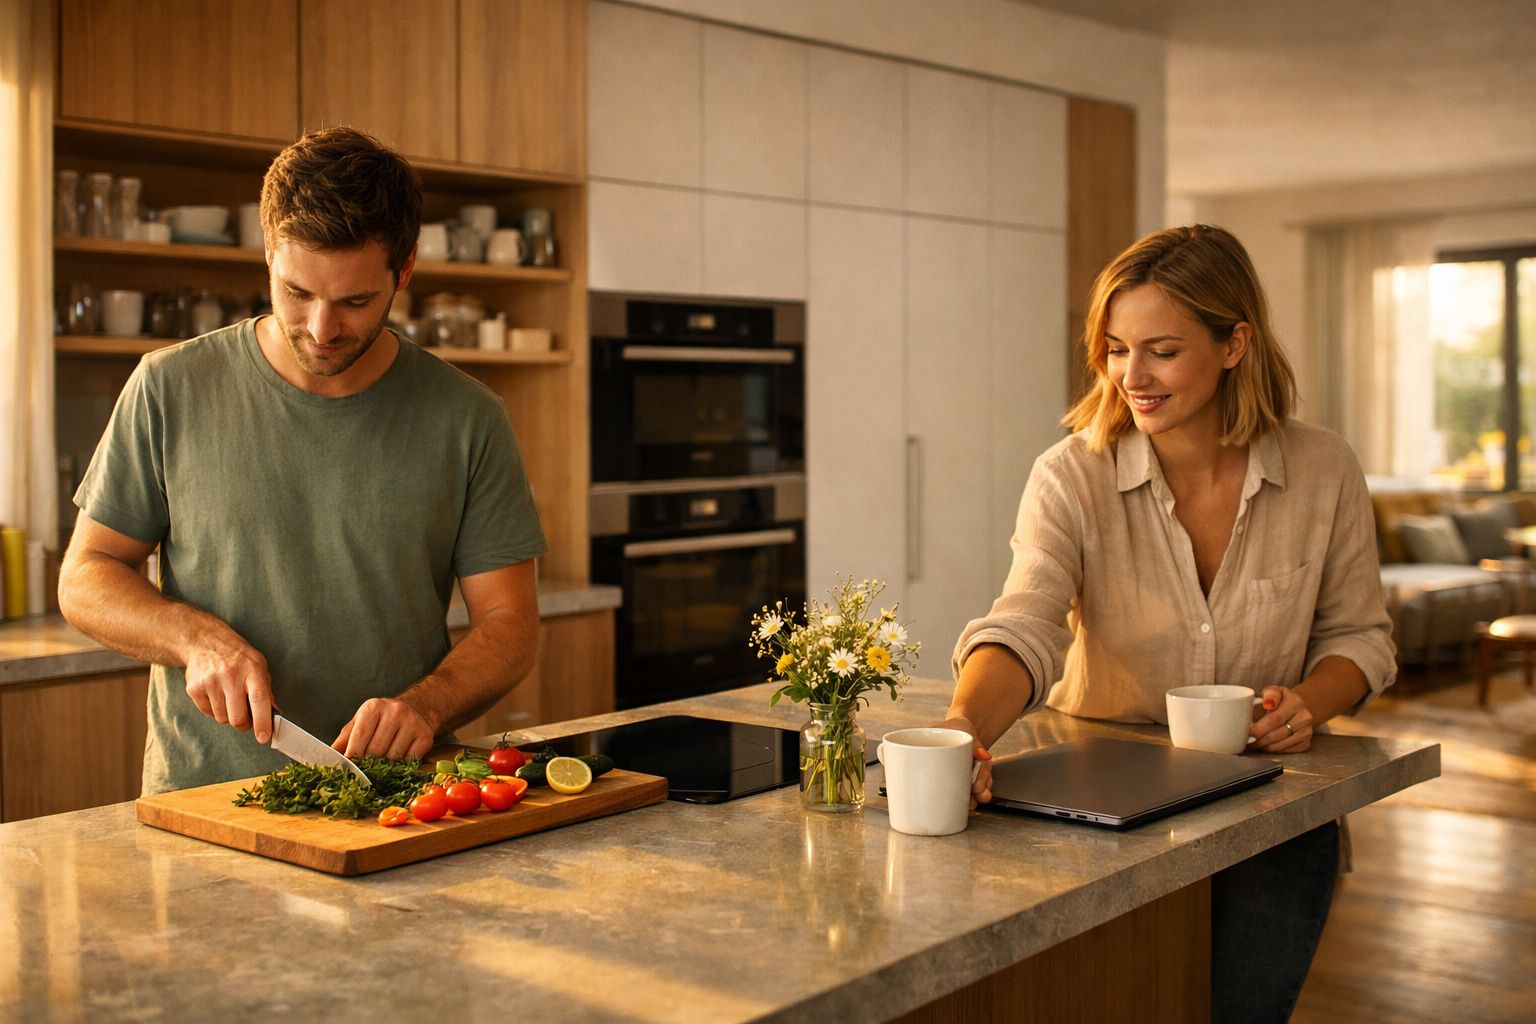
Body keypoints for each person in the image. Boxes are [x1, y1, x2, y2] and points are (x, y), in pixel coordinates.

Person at [941, 224, 1396, 1023]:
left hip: (1267, 811)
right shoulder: (1069, 476)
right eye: (1115, 349)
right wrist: (960, 734)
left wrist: (1309, 704)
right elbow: (1026, 623)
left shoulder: (1324, 469)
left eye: (1160, 350)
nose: (1131, 377)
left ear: (1234, 344)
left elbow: (1362, 637)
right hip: (1091, 809)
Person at [58, 126, 547, 795]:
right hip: (208, 800)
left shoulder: (468, 417)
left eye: (354, 301)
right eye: (296, 292)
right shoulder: (169, 386)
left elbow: (510, 624)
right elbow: (86, 575)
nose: (321, 329)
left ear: (403, 272)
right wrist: (193, 638)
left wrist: (427, 707)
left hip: (394, 799)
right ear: (268, 257)